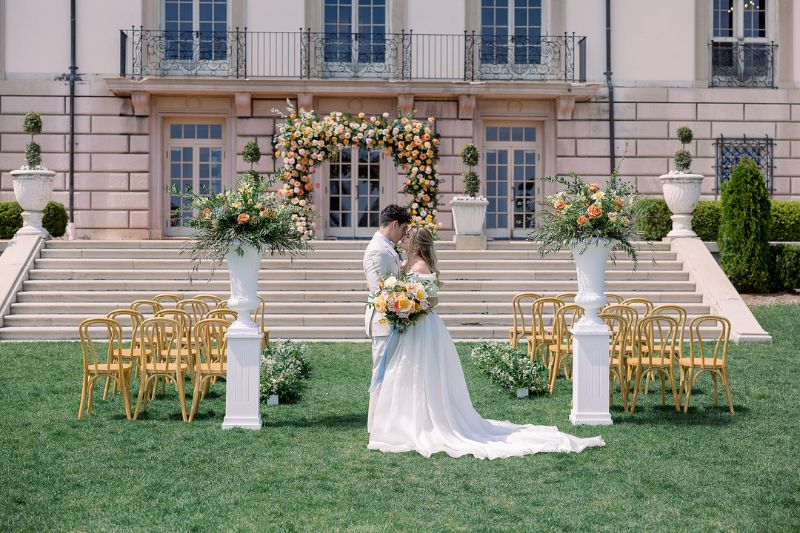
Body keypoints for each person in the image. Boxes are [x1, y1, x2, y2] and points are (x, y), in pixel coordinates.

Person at [368, 226, 605, 459]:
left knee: (421, 374)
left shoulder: (420, 266)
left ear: (417, 245)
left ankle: (424, 422)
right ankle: (407, 420)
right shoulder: (406, 264)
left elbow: (432, 300)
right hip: (412, 328)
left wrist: (410, 309)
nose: (404, 238)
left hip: (422, 328)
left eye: (409, 237)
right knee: (409, 373)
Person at [362, 204, 411, 434]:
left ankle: (390, 422)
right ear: (394, 225)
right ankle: (375, 425)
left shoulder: (388, 248)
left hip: (394, 319)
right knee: (381, 372)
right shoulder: (376, 250)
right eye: (403, 229)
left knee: (393, 373)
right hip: (383, 320)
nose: (404, 234)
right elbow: (379, 290)